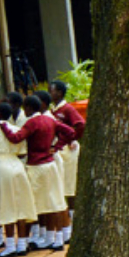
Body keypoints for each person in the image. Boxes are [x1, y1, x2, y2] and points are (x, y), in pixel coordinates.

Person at [0, 96, 67, 250]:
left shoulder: (32, 122)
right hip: (50, 164)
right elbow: (69, 131)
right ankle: (57, 238)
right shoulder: (49, 120)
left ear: (28, 108)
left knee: (32, 202)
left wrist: (4, 126)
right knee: (54, 201)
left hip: (35, 165)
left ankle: (28, 240)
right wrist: (57, 146)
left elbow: (16, 138)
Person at [0, 98, 33, 257]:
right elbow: (23, 152)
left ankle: (10, 245)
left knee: (6, 205)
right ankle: (22, 243)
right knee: (21, 204)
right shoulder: (17, 128)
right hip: (17, 166)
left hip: (1, 166)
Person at [46, 81, 84, 217]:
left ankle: (73, 216)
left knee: (69, 184)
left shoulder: (67, 109)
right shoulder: (52, 110)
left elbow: (80, 125)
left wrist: (71, 138)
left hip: (68, 150)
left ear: (60, 93)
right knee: (60, 183)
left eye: (52, 90)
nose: (50, 93)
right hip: (58, 149)